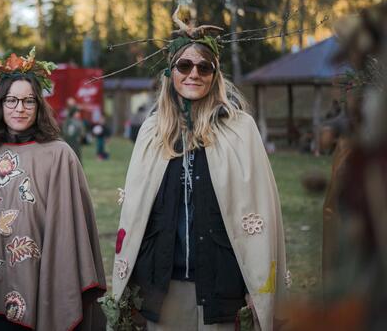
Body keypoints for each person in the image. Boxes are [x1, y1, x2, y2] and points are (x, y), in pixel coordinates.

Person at [111, 19, 287, 331]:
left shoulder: (240, 129)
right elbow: (136, 214)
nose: (194, 73)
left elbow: (261, 209)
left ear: (215, 75)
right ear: (170, 73)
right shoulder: (152, 131)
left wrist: (256, 286)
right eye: (184, 65)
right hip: (161, 286)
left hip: (223, 285)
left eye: (204, 67)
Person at [0, 49, 106, 330]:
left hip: (41, 292)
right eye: (11, 100)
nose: (19, 108)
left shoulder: (59, 155)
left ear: (39, 105)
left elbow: (69, 229)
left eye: (28, 100)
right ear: (0, 104)